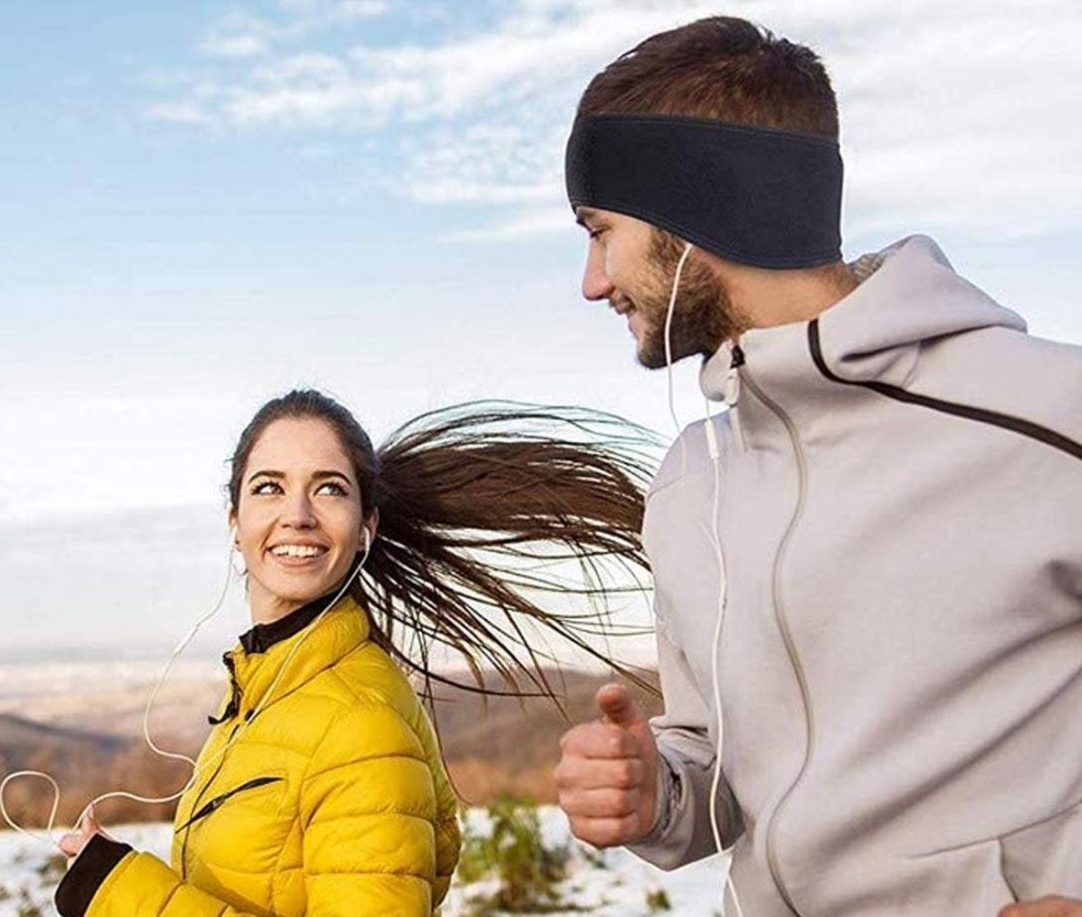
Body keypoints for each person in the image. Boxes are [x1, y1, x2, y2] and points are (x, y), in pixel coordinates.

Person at [552, 16, 1082, 917]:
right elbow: (721, 765)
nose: (592, 281)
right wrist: (657, 791)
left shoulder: (1045, 417)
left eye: (601, 231)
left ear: (694, 205)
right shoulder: (691, 479)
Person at [53, 390, 655, 916]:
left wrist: (118, 892)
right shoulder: (264, 694)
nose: (297, 515)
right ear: (235, 521)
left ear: (364, 526)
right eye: (269, 488)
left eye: (329, 489)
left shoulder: (360, 727)